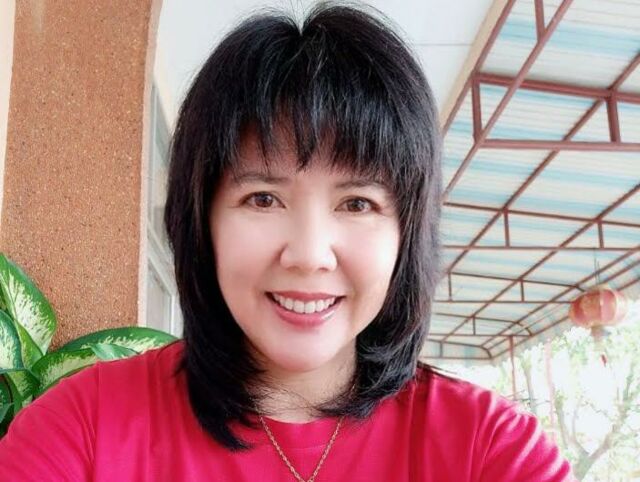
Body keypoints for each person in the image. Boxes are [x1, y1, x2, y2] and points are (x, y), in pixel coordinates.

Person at [0, 3, 576, 481]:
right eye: (263, 199)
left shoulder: (489, 448)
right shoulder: (83, 429)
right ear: (201, 220)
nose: (308, 254)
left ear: (408, 233)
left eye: (357, 203)